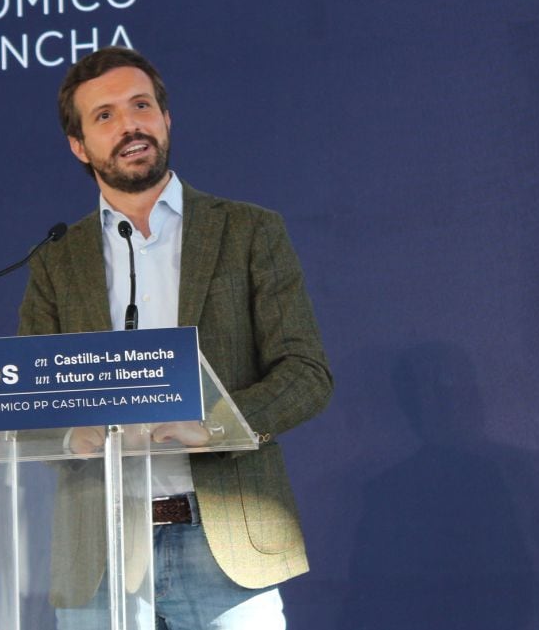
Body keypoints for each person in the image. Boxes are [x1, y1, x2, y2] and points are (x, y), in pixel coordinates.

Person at [18, 46, 332, 629]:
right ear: (79, 147)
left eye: (141, 105)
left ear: (165, 119)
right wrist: (70, 432)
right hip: (100, 553)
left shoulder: (248, 231)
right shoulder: (56, 263)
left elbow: (306, 374)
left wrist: (216, 423)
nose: (129, 124)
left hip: (225, 548)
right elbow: (31, 400)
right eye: (105, 115)